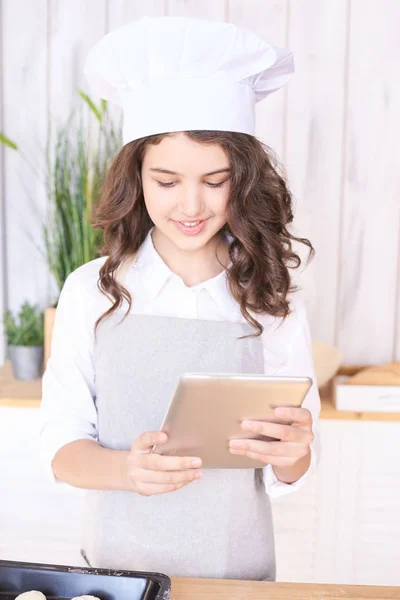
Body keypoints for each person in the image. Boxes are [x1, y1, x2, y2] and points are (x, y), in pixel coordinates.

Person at [40, 16, 320, 581]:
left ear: (240, 180)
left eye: (214, 181)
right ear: (135, 177)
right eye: (166, 181)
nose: (190, 206)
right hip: (117, 579)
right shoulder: (91, 291)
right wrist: (126, 470)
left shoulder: (272, 297)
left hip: (239, 581)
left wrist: (292, 453)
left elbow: (295, 466)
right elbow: (62, 451)